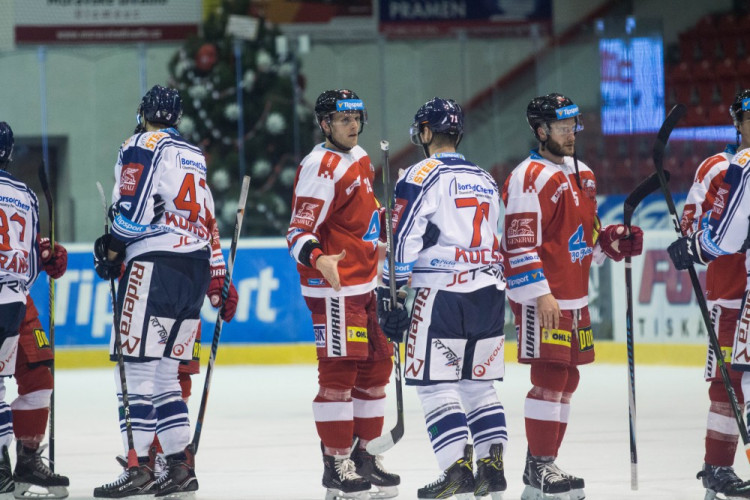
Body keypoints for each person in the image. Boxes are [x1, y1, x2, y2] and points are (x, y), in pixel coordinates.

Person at [92, 85, 238, 498]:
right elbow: (207, 223)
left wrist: (115, 245)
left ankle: (137, 466)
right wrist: (217, 273)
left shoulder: (141, 143)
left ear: (143, 114)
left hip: (153, 266)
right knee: (166, 377)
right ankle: (179, 470)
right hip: (191, 269)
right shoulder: (194, 155)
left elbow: (133, 208)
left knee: (136, 372)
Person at [501, 93, 644, 500]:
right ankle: (540, 466)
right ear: (541, 130)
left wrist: (614, 241)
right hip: (542, 297)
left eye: (573, 125)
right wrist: (541, 294)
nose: (570, 133)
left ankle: (541, 468)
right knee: (548, 376)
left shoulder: (584, 173)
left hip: (575, 297)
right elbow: (519, 244)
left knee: (568, 378)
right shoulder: (529, 176)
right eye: (562, 126)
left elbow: (586, 238)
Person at [377, 97, 508, 500]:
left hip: (442, 294)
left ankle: (456, 469)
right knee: (479, 385)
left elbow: (403, 237)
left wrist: (390, 291)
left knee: (435, 386)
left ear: (428, 132)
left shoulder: (422, 173)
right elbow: (496, 235)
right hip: (488, 293)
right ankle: (491, 467)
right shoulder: (485, 177)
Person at [286, 89, 400, 500]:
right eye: (343, 119)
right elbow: (297, 231)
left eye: (356, 117)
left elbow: (360, 216)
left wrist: (387, 221)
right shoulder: (320, 165)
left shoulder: (361, 157)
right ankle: (336, 463)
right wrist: (319, 259)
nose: (353, 125)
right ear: (325, 124)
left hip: (365, 283)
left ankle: (363, 454)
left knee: (376, 368)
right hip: (333, 288)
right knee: (339, 375)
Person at [669, 92, 750, 499]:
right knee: (728, 383)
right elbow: (693, 229)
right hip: (730, 293)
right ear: (738, 123)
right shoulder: (717, 167)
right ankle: (717, 467)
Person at [0, 122, 44, 496]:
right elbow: (30, 261)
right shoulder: (24, 193)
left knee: (36, 372)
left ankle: (21, 463)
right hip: (14, 296)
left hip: (13, 299)